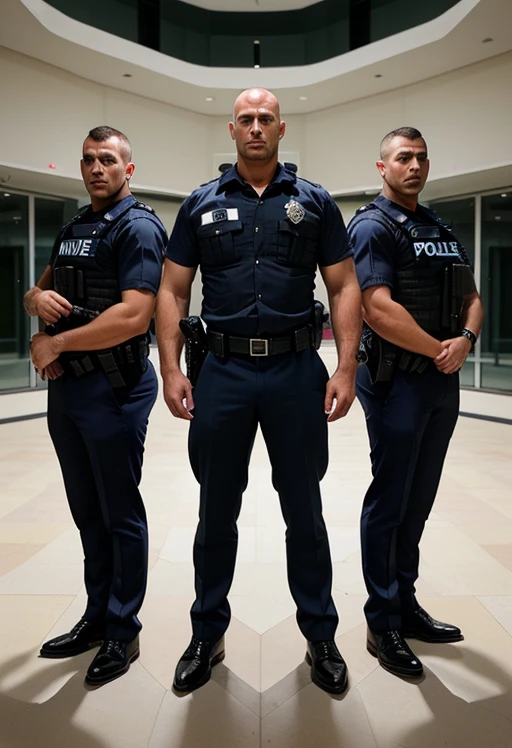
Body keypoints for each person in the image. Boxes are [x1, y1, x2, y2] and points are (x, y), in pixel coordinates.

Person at [156, 88, 361, 695]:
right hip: (223, 373)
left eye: (265, 119)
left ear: (280, 128)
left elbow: (344, 284)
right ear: (231, 129)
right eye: (245, 119)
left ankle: (320, 635)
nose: (254, 127)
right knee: (216, 508)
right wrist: (171, 368)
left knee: (305, 509)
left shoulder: (315, 202)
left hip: (296, 372)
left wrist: (345, 367)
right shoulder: (200, 204)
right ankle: (206, 634)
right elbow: (172, 290)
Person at [24, 126, 167, 686]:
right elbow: (43, 288)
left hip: (116, 389)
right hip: (70, 390)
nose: (96, 168)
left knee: (118, 511)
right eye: (88, 160)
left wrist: (53, 342)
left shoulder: (139, 227)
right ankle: (95, 615)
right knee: (86, 511)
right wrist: (34, 299)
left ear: (128, 169)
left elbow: (134, 316)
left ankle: (122, 630)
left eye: (108, 160)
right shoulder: (75, 227)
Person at [348, 127, 484, 678]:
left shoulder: (439, 228)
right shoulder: (372, 226)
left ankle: (406, 604)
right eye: (403, 157)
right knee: (391, 497)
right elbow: (376, 309)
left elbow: (472, 297)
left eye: (422, 157)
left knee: (419, 499)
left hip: (438, 381)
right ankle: (382, 622)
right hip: (395, 380)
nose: (415, 165)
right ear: (382, 167)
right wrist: (438, 351)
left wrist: (466, 341)